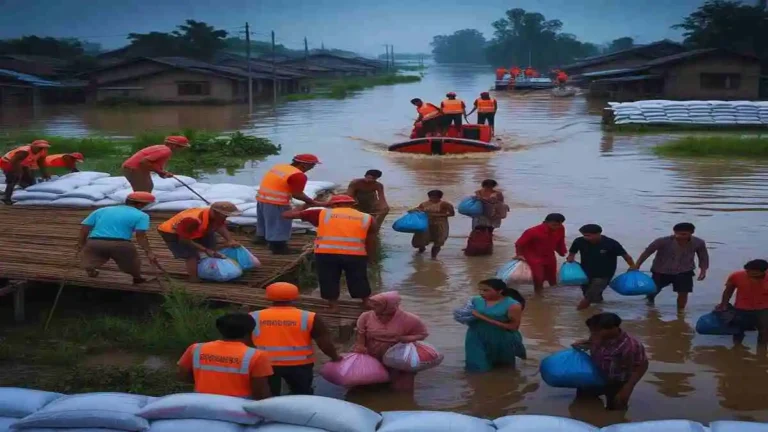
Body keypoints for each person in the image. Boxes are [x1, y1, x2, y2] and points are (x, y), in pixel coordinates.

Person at [282, 194, 376, 312]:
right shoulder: (367, 218)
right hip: (355, 254)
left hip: (327, 253)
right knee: (359, 278)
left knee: (328, 278)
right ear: (352, 205)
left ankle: (333, 305)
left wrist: (305, 205)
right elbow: (371, 240)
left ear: (332, 205)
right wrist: (371, 258)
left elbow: (286, 215)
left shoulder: (321, 213)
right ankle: (366, 301)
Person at [251, 282, 341, 396]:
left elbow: (245, 341)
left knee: (268, 397)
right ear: (295, 296)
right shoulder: (309, 317)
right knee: (302, 396)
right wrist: (335, 357)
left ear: (268, 296)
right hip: (299, 365)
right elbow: (324, 343)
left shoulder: (254, 316)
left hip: (265, 364)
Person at [177, 313, 273, 400]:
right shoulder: (257, 355)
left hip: (202, 402)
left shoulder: (196, 348)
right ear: (250, 332)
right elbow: (260, 391)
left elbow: (183, 375)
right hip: (238, 406)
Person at [77, 192, 159, 284]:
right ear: (140, 204)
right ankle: (137, 278)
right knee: (132, 263)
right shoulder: (142, 215)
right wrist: (149, 252)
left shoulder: (102, 210)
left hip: (95, 241)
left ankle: (90, 269)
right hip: (121, 244)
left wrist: (81, 243)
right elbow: (141, 236)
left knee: (91, 256)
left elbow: (85, 228)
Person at [353, 291, 428, 391]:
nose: (373, 307)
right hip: (372, 353)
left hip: (398, 354)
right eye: (373, 304)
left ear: (389, 306)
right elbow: (360, 333)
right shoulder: (366, 316)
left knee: (401, 390)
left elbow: (423, 334)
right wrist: (360, 345)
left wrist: (405, 339)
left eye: (377, 305)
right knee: (366, 386)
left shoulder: (410, 319)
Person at [573, 313, 648, 411]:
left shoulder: (630, 346)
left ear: (613, 328)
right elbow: (593, 344)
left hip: (617, 382)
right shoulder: (597, 336)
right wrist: (585, 344)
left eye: (597, 331)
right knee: (582, 404)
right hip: (595, 375)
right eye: (592, 331)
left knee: (616, 410)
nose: (593, 333)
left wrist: (627, 388)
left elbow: (642, 365)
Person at [157, 201, 241, 282]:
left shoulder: (215, 216)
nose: (226, 218)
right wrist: (205, 250)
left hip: (196, 230)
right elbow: (184, 240)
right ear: (215, 212)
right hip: (173, 233)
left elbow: (220, 226)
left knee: (212, 246)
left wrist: (230, 240)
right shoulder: (192, 220)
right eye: (225, 215)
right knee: (191, 254)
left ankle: (211, 269)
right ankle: (193, 278)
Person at [255, 154, 322, 254]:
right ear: (303, 165)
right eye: (312, 165)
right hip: (277, 202)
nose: (312, 167)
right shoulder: (298, 175)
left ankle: (260, 238)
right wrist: (310, 201)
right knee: (280, 224)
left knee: (264, 221)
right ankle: (278, 247)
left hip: (262, 198)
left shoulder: (280, 167)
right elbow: (297, 194)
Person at [632, 222, 709, 310]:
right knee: (653, 290)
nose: (679, 236)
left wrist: (703, 271)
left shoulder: (698, 242)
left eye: (684, 234)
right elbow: (647, 252)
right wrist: (637, 265)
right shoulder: (662, 241)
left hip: (685, 270)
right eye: (677, 233)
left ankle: (680, 313)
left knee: (683, 292)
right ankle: (649, 304)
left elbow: (703, 257)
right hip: (661, 270)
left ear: (691, 233)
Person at [567, 224, 636, 310]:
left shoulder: (611, 243)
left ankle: (578, 312)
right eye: (584, 235)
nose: (586, 238)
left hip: (604, 274)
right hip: (585, 272)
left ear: (598, 233)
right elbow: (571, 254)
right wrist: (570, 262)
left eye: (589, 235)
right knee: (590, 293)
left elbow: (626, 256)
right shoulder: (579, 241)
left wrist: (633, 266)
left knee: (589, 296)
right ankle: (598, 310)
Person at [465, 278, 527, 372]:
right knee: (476, 368)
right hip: (476, 337)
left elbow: (513, 327)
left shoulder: (513, 305)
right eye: (480, 290)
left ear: (500, 291)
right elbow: (466, 315)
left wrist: (483, 318)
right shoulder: (475, 300)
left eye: (486, 290)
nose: (481, 293)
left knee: (504, 370)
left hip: (501, 339)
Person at [716, 259, 768, 347]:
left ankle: (761, 351)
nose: (750, 274)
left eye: (754, 273)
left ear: (763, 272)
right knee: (738, 329)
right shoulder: (736, 276)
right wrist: (723, 305)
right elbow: (728, 291)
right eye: (748, 272)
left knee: (764, 330)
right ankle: (737, 347)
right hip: (742, 307)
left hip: (763, 308)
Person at [513, 213, 567, 293]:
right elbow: (519, 243)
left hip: (549, 255)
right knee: (538, 277)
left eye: (559, 224)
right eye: (554, 225)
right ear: (545, 222)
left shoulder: (561, 228)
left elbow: (560, 240)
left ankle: (554, 296)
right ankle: (538, 296)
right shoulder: (532, 231)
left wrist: (562, 251)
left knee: (552, 277)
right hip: (534, 256)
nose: (557, 227)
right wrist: (519, 255)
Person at [121, 135, 190, 192]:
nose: (182, 149)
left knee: (147, 187)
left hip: (135, 168)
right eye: (182, 147)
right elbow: (144, 162)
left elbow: (153, 164)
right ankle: (136, 206)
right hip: (134, 168)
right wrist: (160, 172)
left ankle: (138, 205)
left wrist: (163, 173)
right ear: (174, 146)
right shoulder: (166, 151)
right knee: (144, 190)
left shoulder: (162, 148)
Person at [1, 140, 50, 204]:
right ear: (33, 146)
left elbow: (41, 162)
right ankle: (7, 198)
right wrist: (18, 172)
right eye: (39, 147)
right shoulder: (24, 152)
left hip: (23, 163)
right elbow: (13, 161)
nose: (41, 149)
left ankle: (27, 194)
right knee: (13, 179)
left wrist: (44, 173)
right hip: (7, 162)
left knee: (29, 179)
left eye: (43, 147)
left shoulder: (42, 152)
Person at [411, 190, 454, 259]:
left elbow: (452, 214)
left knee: (438, 241)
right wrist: (413, 211)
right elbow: (418, 210)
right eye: (431, 197)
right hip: (427, 224)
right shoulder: (424, 204)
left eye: (435, 197)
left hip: (440, 224)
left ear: (439, 197)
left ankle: (433, 257)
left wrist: (437, 215)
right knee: (421, 240)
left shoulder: (445, 204)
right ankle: (421, 251)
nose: (433, 199)